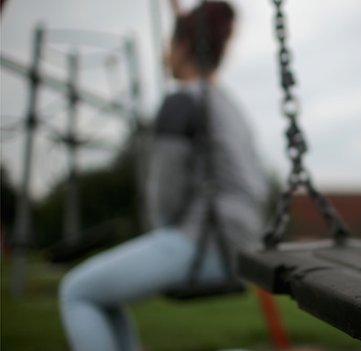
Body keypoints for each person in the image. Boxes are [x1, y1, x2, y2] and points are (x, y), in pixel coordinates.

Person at [59, 2, 268, 350]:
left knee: (77, 291)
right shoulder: (228, 105)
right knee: (105, 296)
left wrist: (161, 228)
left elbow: (165, 195)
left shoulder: (181, 103)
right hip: (245, 245)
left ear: (182, 47)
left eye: (169, 44)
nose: (164, 53)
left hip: (203, 242)